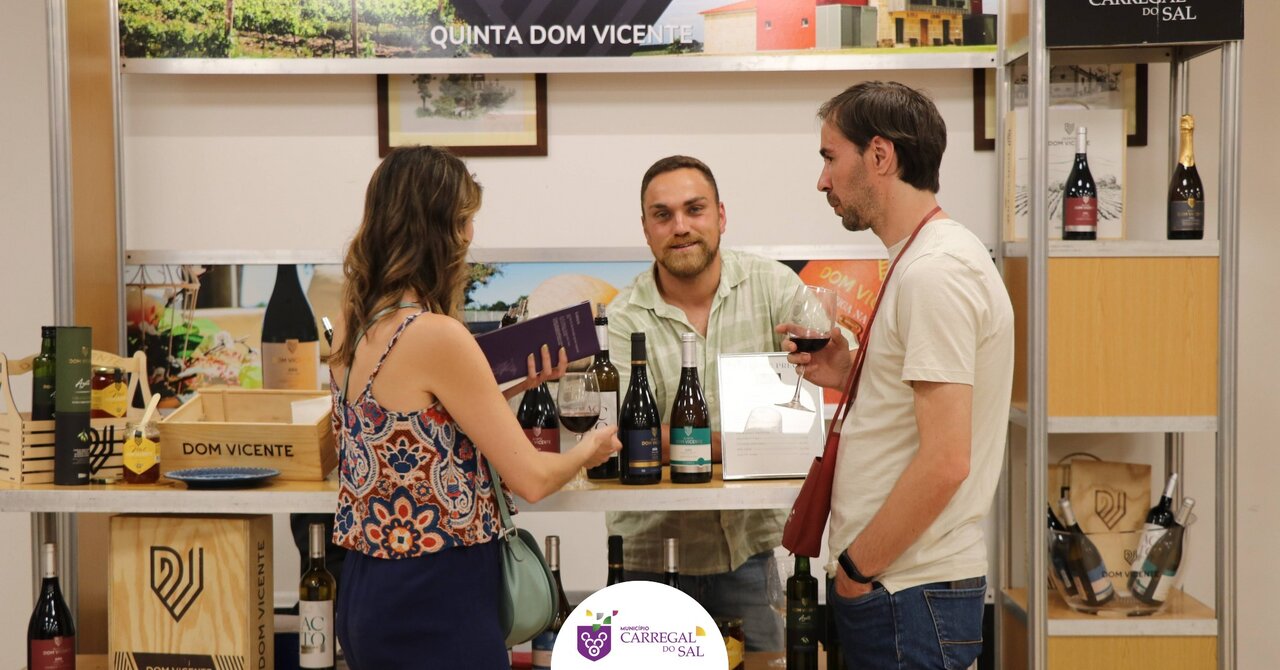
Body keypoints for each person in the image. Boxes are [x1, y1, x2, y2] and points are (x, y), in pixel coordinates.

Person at [327, 146, 620, 668]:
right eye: (464, 220)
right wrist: (590, 448)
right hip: (438, 594)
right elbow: (532, 479)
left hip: (367, 589)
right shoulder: (437, 334)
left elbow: (410, 430)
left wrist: (510, 386)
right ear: (437, 229)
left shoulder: (352, 326)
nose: (469, 236)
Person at [785, 81, 1014, 669]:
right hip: (902, 589)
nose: (822, 181)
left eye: (830, 158)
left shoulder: (936, 272)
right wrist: (849, 371)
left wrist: (856, 569)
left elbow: (946, 460)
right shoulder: (922, 259)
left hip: (906, 592)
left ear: (880, 155)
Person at [607, 155, 825, 651]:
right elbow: (629, 439)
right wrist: (748, 447)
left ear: (721, 216)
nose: (680, 226)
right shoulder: (622, 318)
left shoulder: (775, 287)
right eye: (662, 215)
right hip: (648, 559)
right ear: (645, 229)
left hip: (750, 553)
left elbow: (830, 367)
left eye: (694, 209)